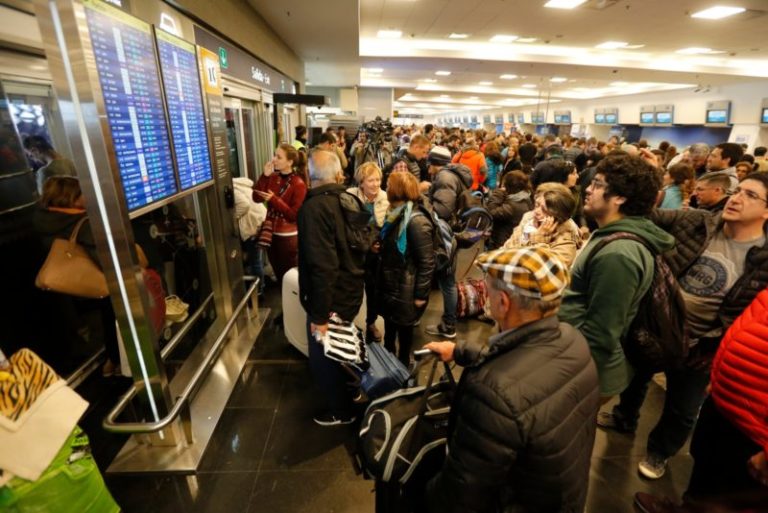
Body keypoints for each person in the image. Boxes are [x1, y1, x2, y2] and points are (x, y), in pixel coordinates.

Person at [598, 172, 768, 480]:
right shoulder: (698, 221)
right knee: (636, 378)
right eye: (737, 190)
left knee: (683, 406)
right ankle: (625, 417)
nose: (736, 198)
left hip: (704, 341)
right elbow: (645, 214)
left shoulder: (764, 257)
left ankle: (660, 452)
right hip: (658, 324)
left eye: (750, 195)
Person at [422, 246, 600, 513]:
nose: (486, 295)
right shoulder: (572, 339)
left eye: (488, 289)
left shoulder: (492, 394)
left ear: (503, 302)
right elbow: (522, 359)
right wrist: (459, 351)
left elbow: (460, 494)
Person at [634, 287, 768, 513]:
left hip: (754, 430)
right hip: (727, 403)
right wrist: (720, 374)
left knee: (728, 500)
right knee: (705, 478)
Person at [559, 154, 676, 401]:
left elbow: (602, 332)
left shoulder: (619, 253)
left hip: (587, 371)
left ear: (621, 198)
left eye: (598, 185)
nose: (588, 189)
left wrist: (568, 374)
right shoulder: (610, 235)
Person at [298, 150, 366, 426]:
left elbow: (322, 266)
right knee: (342, 349)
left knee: (324, 358)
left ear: (308, 176)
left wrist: (319, 316)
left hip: (330, 299)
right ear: (338, 175)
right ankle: (351, 392)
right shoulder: (350, 200)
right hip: (350, 290)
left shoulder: (313, 209)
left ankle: (342, 411)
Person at [32, 176, 119, 377]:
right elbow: (106, 260)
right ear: (72, 198)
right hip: (92, 289)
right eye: (83, 193)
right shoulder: (82, 223)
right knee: (112, 314)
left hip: (63, 293)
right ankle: (114, 362)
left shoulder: (43, 219)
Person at [378, 172, 435, 365]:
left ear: (397, 191)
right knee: (390, 330)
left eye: (388, 185)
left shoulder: (416, 221)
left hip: (406, 289)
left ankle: (402, 367)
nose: (386, 188)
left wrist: (421, 295)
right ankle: (387, 364)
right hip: (392, 284)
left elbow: (427, 261)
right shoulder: (395, 213)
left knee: (404, 334)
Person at [423, 146, 472, 340]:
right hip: (453, 232)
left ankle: (449, 324)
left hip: (444, 236)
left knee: (447, 280)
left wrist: (423, 198)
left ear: (436, 164)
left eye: (430, 165)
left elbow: (441, 210)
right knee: (447, 279)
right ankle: (450, 321)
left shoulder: (444, 178)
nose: (428, 170)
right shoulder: (453, 176)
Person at [253, 143, 308, 290]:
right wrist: (264, 176)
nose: (274, 159)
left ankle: (292, 310)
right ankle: (285, 307)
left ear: (290, 162)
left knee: (290, 277)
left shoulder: (298, 183)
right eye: (274, 155)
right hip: (271, 233)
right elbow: (256, 198)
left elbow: (293, 215)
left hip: (288, 237)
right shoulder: (272, 177)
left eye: (279, 157)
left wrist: (274, 200)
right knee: (279, 275)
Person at [346, 162, 389, 342]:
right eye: (371, 180)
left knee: (373, 291)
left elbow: (387, 226)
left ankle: (371, 323)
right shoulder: (349, 197)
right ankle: (345, 324)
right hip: (353, 253)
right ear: (361, 182)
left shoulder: (386, 198)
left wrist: (378, 244)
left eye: (378, 179)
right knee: (350, 290)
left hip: (374, 254)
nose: (376, 184)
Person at [503, 182, 582, 267]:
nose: (536, 212)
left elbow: (547, 271)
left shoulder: (567, 239)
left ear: (557, 216)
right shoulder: (529, 218)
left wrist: (539, 241)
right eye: (537, 204)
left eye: (544, 210)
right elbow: (506, 248)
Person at [233, 176, 267, 294]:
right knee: (256, 258)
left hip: (252, 225)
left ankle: (258, 290)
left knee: (255, 260)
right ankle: (260, 285)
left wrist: (233, 218)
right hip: (259, 221)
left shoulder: (233, 189)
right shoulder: (241, 185)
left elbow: (244, 205)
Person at [486, 170, 532, 250]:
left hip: (502, 243)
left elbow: (491, 212)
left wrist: (498, 193)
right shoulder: (525, 199)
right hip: (512, 241)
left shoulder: (512, 206)